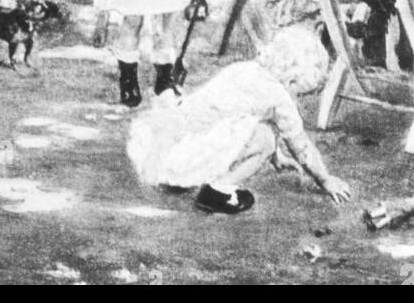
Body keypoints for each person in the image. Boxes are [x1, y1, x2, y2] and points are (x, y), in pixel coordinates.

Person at [126, 26, 350, 215]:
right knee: (266, 139)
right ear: (294, 78)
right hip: (192, 154)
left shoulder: (242, 70)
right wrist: (325, 179)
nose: (296, 95)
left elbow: (236, 113)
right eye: (299, 88)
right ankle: (218, 192)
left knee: (247, 125)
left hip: (169, 147)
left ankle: (177, 180)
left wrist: (277, 158)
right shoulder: (278, 97)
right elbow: (301, 148)